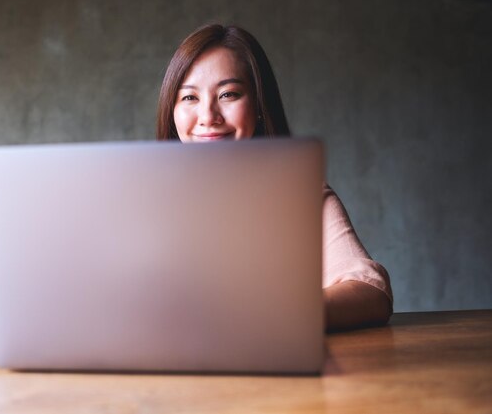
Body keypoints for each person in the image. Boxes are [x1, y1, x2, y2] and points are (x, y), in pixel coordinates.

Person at [156, 24, 393, 331]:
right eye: (189, 98)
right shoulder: (137, 200)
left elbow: (372, 291)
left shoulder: (297, 193)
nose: (208, 117)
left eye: (228, 94)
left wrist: (276, 314)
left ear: (257, 104)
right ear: (172, 111)